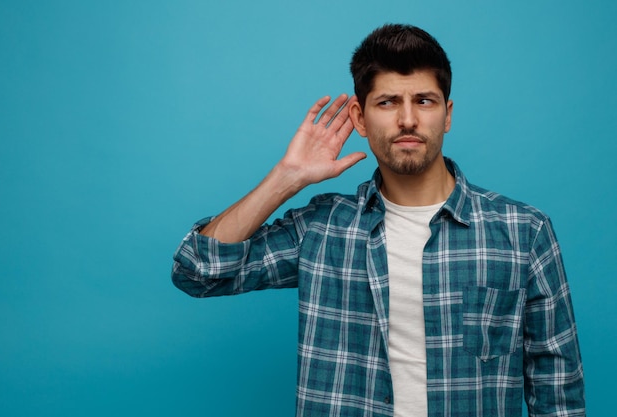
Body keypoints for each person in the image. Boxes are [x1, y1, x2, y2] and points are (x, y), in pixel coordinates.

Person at [171, 24, 585, 417]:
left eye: (424, 100)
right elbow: (197, 271)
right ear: (360, 118)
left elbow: (558, 389)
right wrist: (286, 178)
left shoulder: (522, 232)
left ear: (448, 114)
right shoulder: (322, 227)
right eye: (388, 102)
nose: (408, 120)